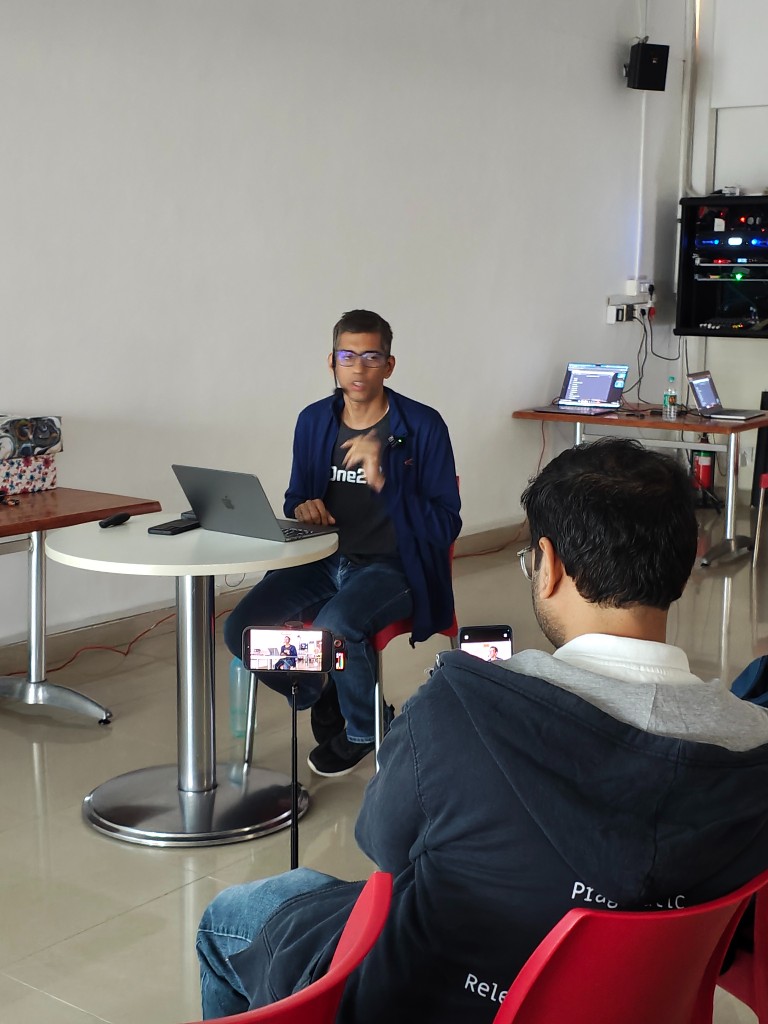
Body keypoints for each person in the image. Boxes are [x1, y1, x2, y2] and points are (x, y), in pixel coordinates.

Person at [199, 438, 768, 1022]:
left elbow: (383, 848)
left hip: (434, 997)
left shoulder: (461, 707)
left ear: (550, 566)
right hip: (638, 1004)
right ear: (685, 564)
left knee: (230, 918)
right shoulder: (755, 743)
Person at [222, 309, 461, 777]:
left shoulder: (423, 426)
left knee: (336, 627)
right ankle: (316, 686)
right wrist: (303, 507)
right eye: (347, 356)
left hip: (395, 565)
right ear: (331, 361)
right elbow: (296, 495)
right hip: (321, 558)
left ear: (389, 365)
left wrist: (384, 481)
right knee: (241, 630)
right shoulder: (314, 420)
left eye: (371, 357)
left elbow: (445, 525)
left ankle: (365, 730)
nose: (358, 367)